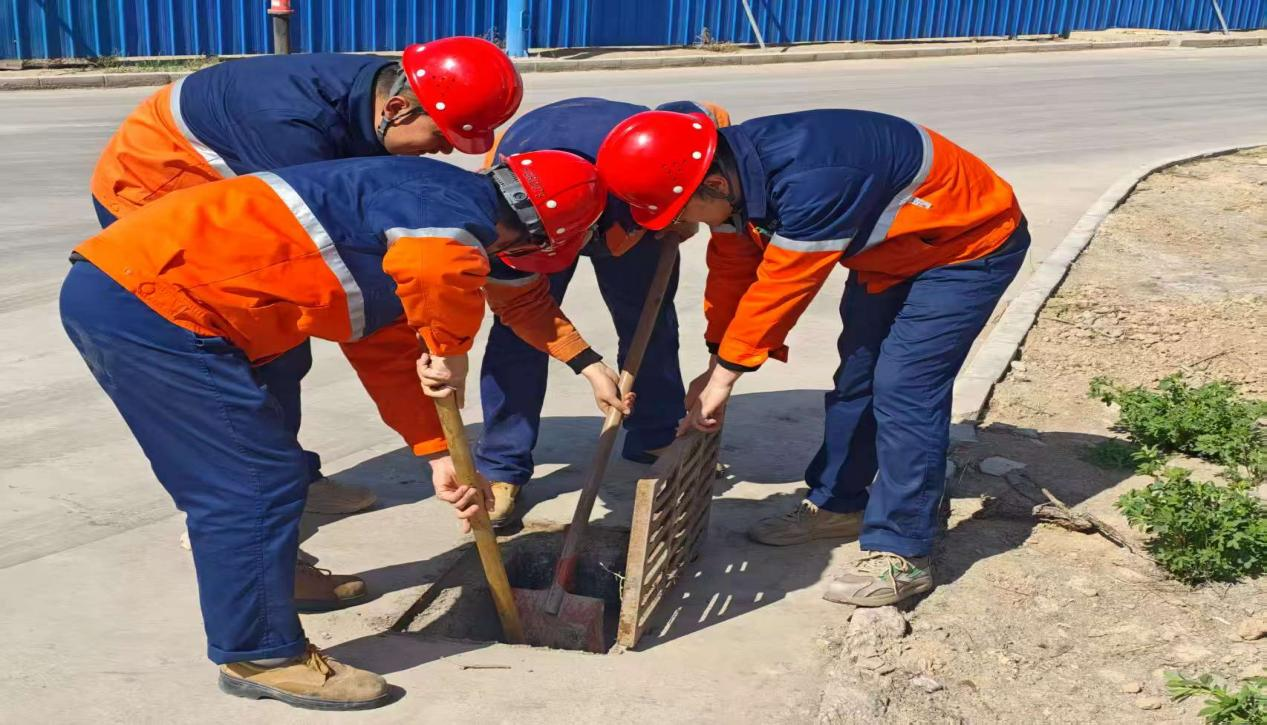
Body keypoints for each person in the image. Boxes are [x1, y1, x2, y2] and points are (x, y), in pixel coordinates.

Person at [61, 150, 619, 709]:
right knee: (252, 482)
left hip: (147, 294)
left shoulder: (411, 212)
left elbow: (385, 349)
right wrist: (451, 349)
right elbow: (435, 270)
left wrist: (437, 453)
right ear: (528, 235)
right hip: (151, 306)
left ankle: (275, 581)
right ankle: (260, 655)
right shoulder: (442, 219)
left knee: (265, 470)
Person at [597, 109, 1029, 607]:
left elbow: (784, 287)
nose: (684, 224)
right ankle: (838, 504)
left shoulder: (814, 182)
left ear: (714, 185)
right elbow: (735, 268)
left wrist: (726, 378)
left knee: (905, 389)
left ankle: (903, 550)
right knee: (858, 380)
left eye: (684, 212)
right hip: (892, 254)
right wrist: (716, 359)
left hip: (965, 247)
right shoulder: (736, 177)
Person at [89, 37, 523, 520]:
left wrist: (432, 442)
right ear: (397, 109)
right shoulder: (290, 129)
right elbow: (357, 297)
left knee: (286, 350)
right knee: (249, 357)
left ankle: (286, 481)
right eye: (442, 136)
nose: (443, 152)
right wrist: (435, 407)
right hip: (152, 195)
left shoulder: (379, 92)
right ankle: (245, 507)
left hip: (225, 188)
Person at [472, 97, 730, 526]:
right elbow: (519, 306)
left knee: (648, 321)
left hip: (621, 201)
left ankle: (655, 431)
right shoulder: (500, 218)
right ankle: (501, 464)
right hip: (537, 211)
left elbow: (705, 119)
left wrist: (681, 204)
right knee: (518, 334)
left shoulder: (644, 161)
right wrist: (589, 365)